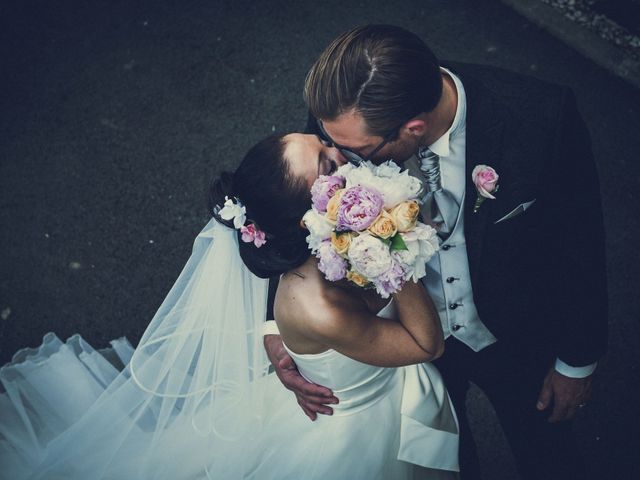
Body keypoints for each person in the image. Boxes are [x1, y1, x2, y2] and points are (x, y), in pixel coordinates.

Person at [0, 132, 459, 479]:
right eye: (326, 162)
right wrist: (391, 246)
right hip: (356, 432)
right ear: (310, 218)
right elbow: (425, 345)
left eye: (321, 141)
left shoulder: (314, 243)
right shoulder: (320, 303)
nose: (339, 152)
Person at [264, 25, 608, 480]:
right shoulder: (343, 121)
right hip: (404, 337)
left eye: (355, 150)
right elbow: (298, 209)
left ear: (414, 128)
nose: (341, 158)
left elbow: (580, 245)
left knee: (548, 455)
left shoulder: (543, 118)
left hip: (520, 337)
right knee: (443, 456)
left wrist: (576, 363)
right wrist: (276, 327)